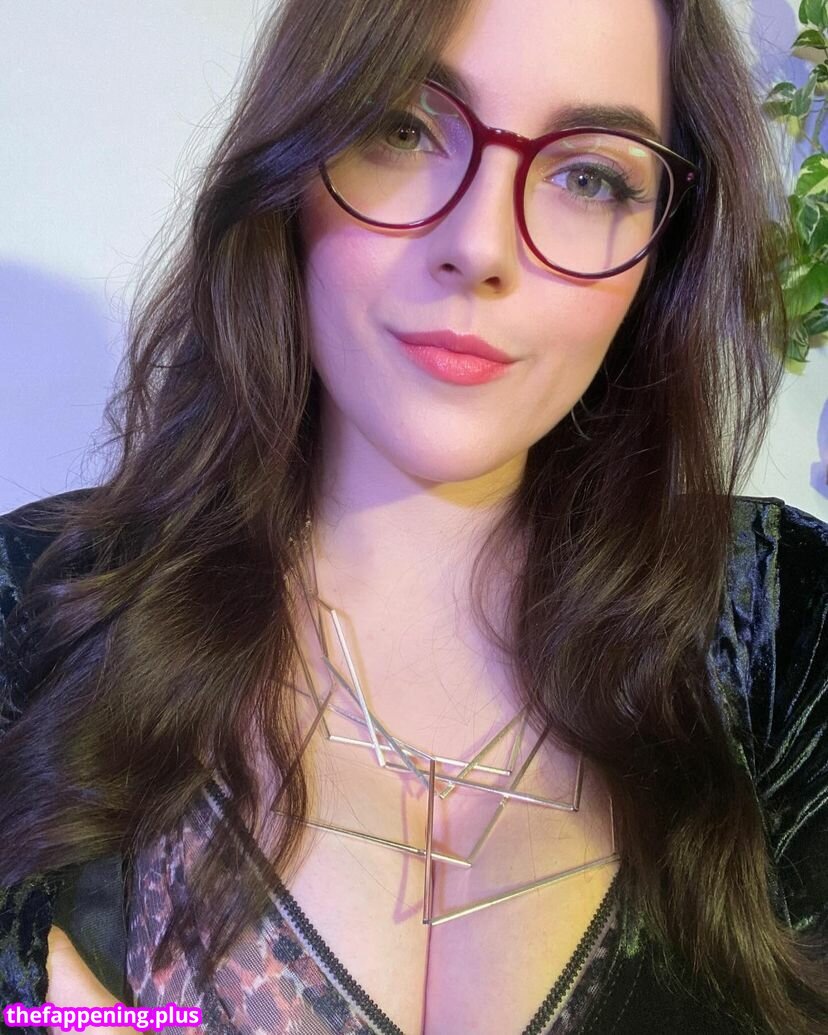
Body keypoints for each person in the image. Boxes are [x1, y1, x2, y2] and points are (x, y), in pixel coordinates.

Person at [0, 0, 826, 1032]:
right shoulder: (34, 607)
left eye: (589, 176)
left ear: (666, 249)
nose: (479, 246)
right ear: (292, 162)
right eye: (401, 126)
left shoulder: (791, 631)